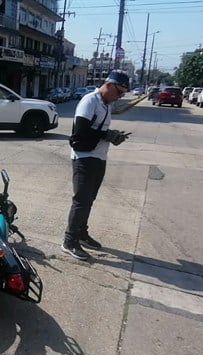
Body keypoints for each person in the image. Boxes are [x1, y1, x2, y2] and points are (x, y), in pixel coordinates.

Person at [61, 70, 132, 261]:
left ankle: (81, 234)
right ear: (109, 85)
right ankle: (70, 241)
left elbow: (100, 130)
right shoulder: (90, 101)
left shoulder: (106, 104)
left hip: (99, 157)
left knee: (89, 200)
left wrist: (113, 135)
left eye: (123, 94)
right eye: (119, 92)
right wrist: (105, 135)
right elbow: (81, 132)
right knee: (81, 201)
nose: (120, 97)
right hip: (84, 157)